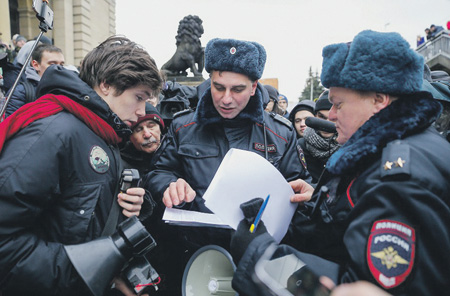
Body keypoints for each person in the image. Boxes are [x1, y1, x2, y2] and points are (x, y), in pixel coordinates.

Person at [229, 30, 450, 296]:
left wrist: (260, 255)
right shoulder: (396, 150)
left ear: (379, 99)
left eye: (338, 104)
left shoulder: (400, 180)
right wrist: (326, 204)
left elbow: (354, 288)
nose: (330, 115)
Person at [144, 37, 312, 294]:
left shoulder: (281, 133)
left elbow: (300, 187)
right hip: (194, 258)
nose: (226, 99)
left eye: (237, 89)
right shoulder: (182, 126)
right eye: (218, 87)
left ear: (255, 87)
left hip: (258, 260)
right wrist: (169, 185)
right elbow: (158, 172)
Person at [0, 35, 163, 295]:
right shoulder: (53, 133)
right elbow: (5, 245)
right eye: (139, 97)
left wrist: (133, 206)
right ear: (106, 85)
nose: (144, 111)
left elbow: (79, 209)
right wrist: (88, 273)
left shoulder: (103, 131)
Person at [4, 43, 65, 118]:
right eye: (52, 64)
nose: (59, 68)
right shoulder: (20, 92)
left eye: (61, 64)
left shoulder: (67, 89)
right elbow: (10, 125)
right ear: (36, 65)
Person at [298, 90, 340, 183]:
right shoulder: (301, 146)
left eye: (332, 119)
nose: (326, 123)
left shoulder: (347, 147)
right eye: (322, 117)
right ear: (315, 116)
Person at [120, 102, 165, 175]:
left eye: (151, 126)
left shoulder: (174, 155)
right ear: (130, 137)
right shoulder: (120, 164)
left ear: (160, 129)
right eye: (139, 130)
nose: (147, 135)